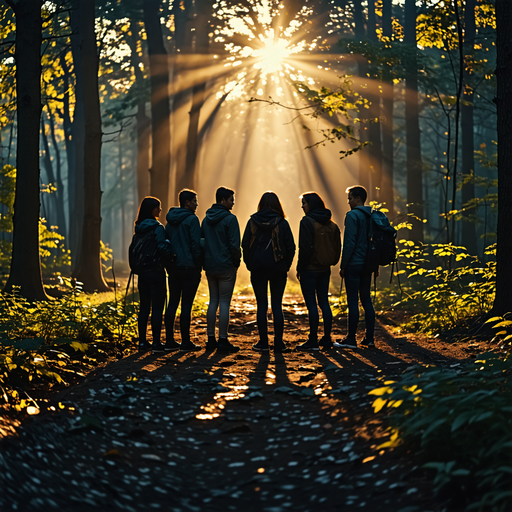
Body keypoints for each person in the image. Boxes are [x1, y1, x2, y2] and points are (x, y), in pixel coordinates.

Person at [242, 192, 296, 353]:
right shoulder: (282, 223)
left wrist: (249, 264)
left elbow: (244, 244)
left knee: (261, 306)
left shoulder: (253, 221)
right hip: (278, 268)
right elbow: (291, 247)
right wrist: (286, 265)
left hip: (257, 268)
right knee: (277, 306)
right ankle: (279, 343)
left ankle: (263, 343)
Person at [296, 192, 341, 351]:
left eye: (304, 203)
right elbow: (337, 247)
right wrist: (332, 262)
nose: (302, 206)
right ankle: (327, 338)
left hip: (309, 269)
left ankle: (313, 340)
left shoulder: (307, 222)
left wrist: (300, 268)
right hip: (325, 269)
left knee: (312, 305)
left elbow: (304, 248)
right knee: (324, 302)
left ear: (311, 205)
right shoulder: (332, 224)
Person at [334, 185, 376, 349]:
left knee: (353, 300)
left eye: (350, 198)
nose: (349, 202)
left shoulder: (352, 216)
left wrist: (343, 265)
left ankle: (351, 338)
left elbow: (349, 243)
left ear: (358, 198)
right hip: (368, 264)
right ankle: (369, 338)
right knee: (366, 300)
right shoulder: (372, 216)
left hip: (354, 264)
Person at [201, 186, 241, 352]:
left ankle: (211, 339)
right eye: (231, 199)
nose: (233, 202)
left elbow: (201, 243)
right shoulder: (230, 219)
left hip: (210, 266)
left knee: (213, 301)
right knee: (224, 302)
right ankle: (223, 340)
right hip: (226, 266)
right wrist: (236, 262)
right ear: (223, 200)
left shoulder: (205, 219)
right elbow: (234, 245)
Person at [132, 196, 173, 353]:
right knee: (157, 307)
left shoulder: (139, 227)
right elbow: (162, 247)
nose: (160, 210)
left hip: (142, 272)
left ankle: (142, 342)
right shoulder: (157, 227)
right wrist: (170, 253)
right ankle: (156, 342)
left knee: (144, 308)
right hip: (156, 270)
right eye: (158, 207)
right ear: (152, 210)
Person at [164, 189, 202, 352]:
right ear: (187, 202)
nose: (197, 204)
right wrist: (199, 263)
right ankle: (186, 342)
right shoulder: (192, 219)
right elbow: (195, 244)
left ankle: (170, 340)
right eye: (195, 201)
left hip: (174, 267)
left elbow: (166, 243)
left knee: (173, 302)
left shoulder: (169, 221)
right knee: (186, 304)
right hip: (189, 267)